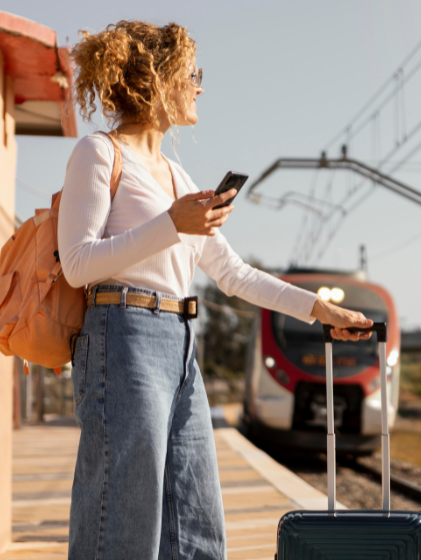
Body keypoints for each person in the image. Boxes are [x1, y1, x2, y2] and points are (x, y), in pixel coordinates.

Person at [58, 20, 371, 559]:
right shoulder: (99, 154)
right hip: (121, 338)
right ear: (156, 79)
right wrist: (171, 225)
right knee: (125, 523)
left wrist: (318, 308)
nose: (199, 85)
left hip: (180, 343)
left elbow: (234, 275)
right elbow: (78, 265)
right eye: (191, 73)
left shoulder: (178, 178)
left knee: (198, 525)